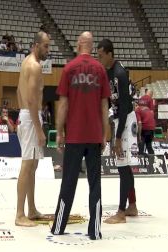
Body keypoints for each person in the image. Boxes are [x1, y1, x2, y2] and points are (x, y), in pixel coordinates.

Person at [50, 32, 109, 240]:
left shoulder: (68, 68)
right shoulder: (100, 69)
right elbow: (104, 106)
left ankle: (59, 227)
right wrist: (105, 134)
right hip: (93, 136)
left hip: (74, 136)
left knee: (68, 182)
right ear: (91, 47)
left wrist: (59, 132)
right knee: (95, 184)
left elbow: (63, 104)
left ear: (78, 44)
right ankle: (95, 230)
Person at [97, 38, 139, 224]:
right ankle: (133, 205)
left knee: (122, 165)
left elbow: (123, 108)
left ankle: (121, 212)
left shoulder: (120, 74)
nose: (99, 59)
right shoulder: (107, 71)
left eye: (100, 56)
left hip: (126, 121)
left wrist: (118, 136)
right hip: (119, 118)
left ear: (109, 54)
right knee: (126, 165)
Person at [15, 31, 50, 227]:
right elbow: (30, 100)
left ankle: (32, 209)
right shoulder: (34, 66)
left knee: (33, 166)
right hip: (30, 117)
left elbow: (20, 91)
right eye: (45, 46)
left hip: (27, 116)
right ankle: (20, 214)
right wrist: (38, 129)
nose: (48, 50)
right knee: (27, 166)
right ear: (36, 45)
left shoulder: (26, 62)